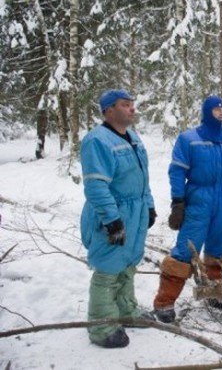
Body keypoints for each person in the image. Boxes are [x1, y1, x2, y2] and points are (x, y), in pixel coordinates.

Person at [152, 96, 222, 323]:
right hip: (198, 198)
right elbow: (177, 172)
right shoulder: (188, 139)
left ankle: (214, 292)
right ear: (207, 112)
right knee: (186, 249)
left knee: (219, 249)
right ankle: (164, 302)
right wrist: (178, 202)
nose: (221, 113)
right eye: (216, 109)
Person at [80, 89, 157, 348]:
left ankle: (126, 311)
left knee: (127, 264)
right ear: (109, 110)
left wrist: (149, 206)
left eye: (132, 104)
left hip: (135, 212)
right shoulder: (97, 141)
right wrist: (112, 219)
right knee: (108, 268)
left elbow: (143, 178)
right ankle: (101, 326)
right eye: (125, 105)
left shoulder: (133, 138)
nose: (132, 109)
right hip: (112, 212)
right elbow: (96, 186)